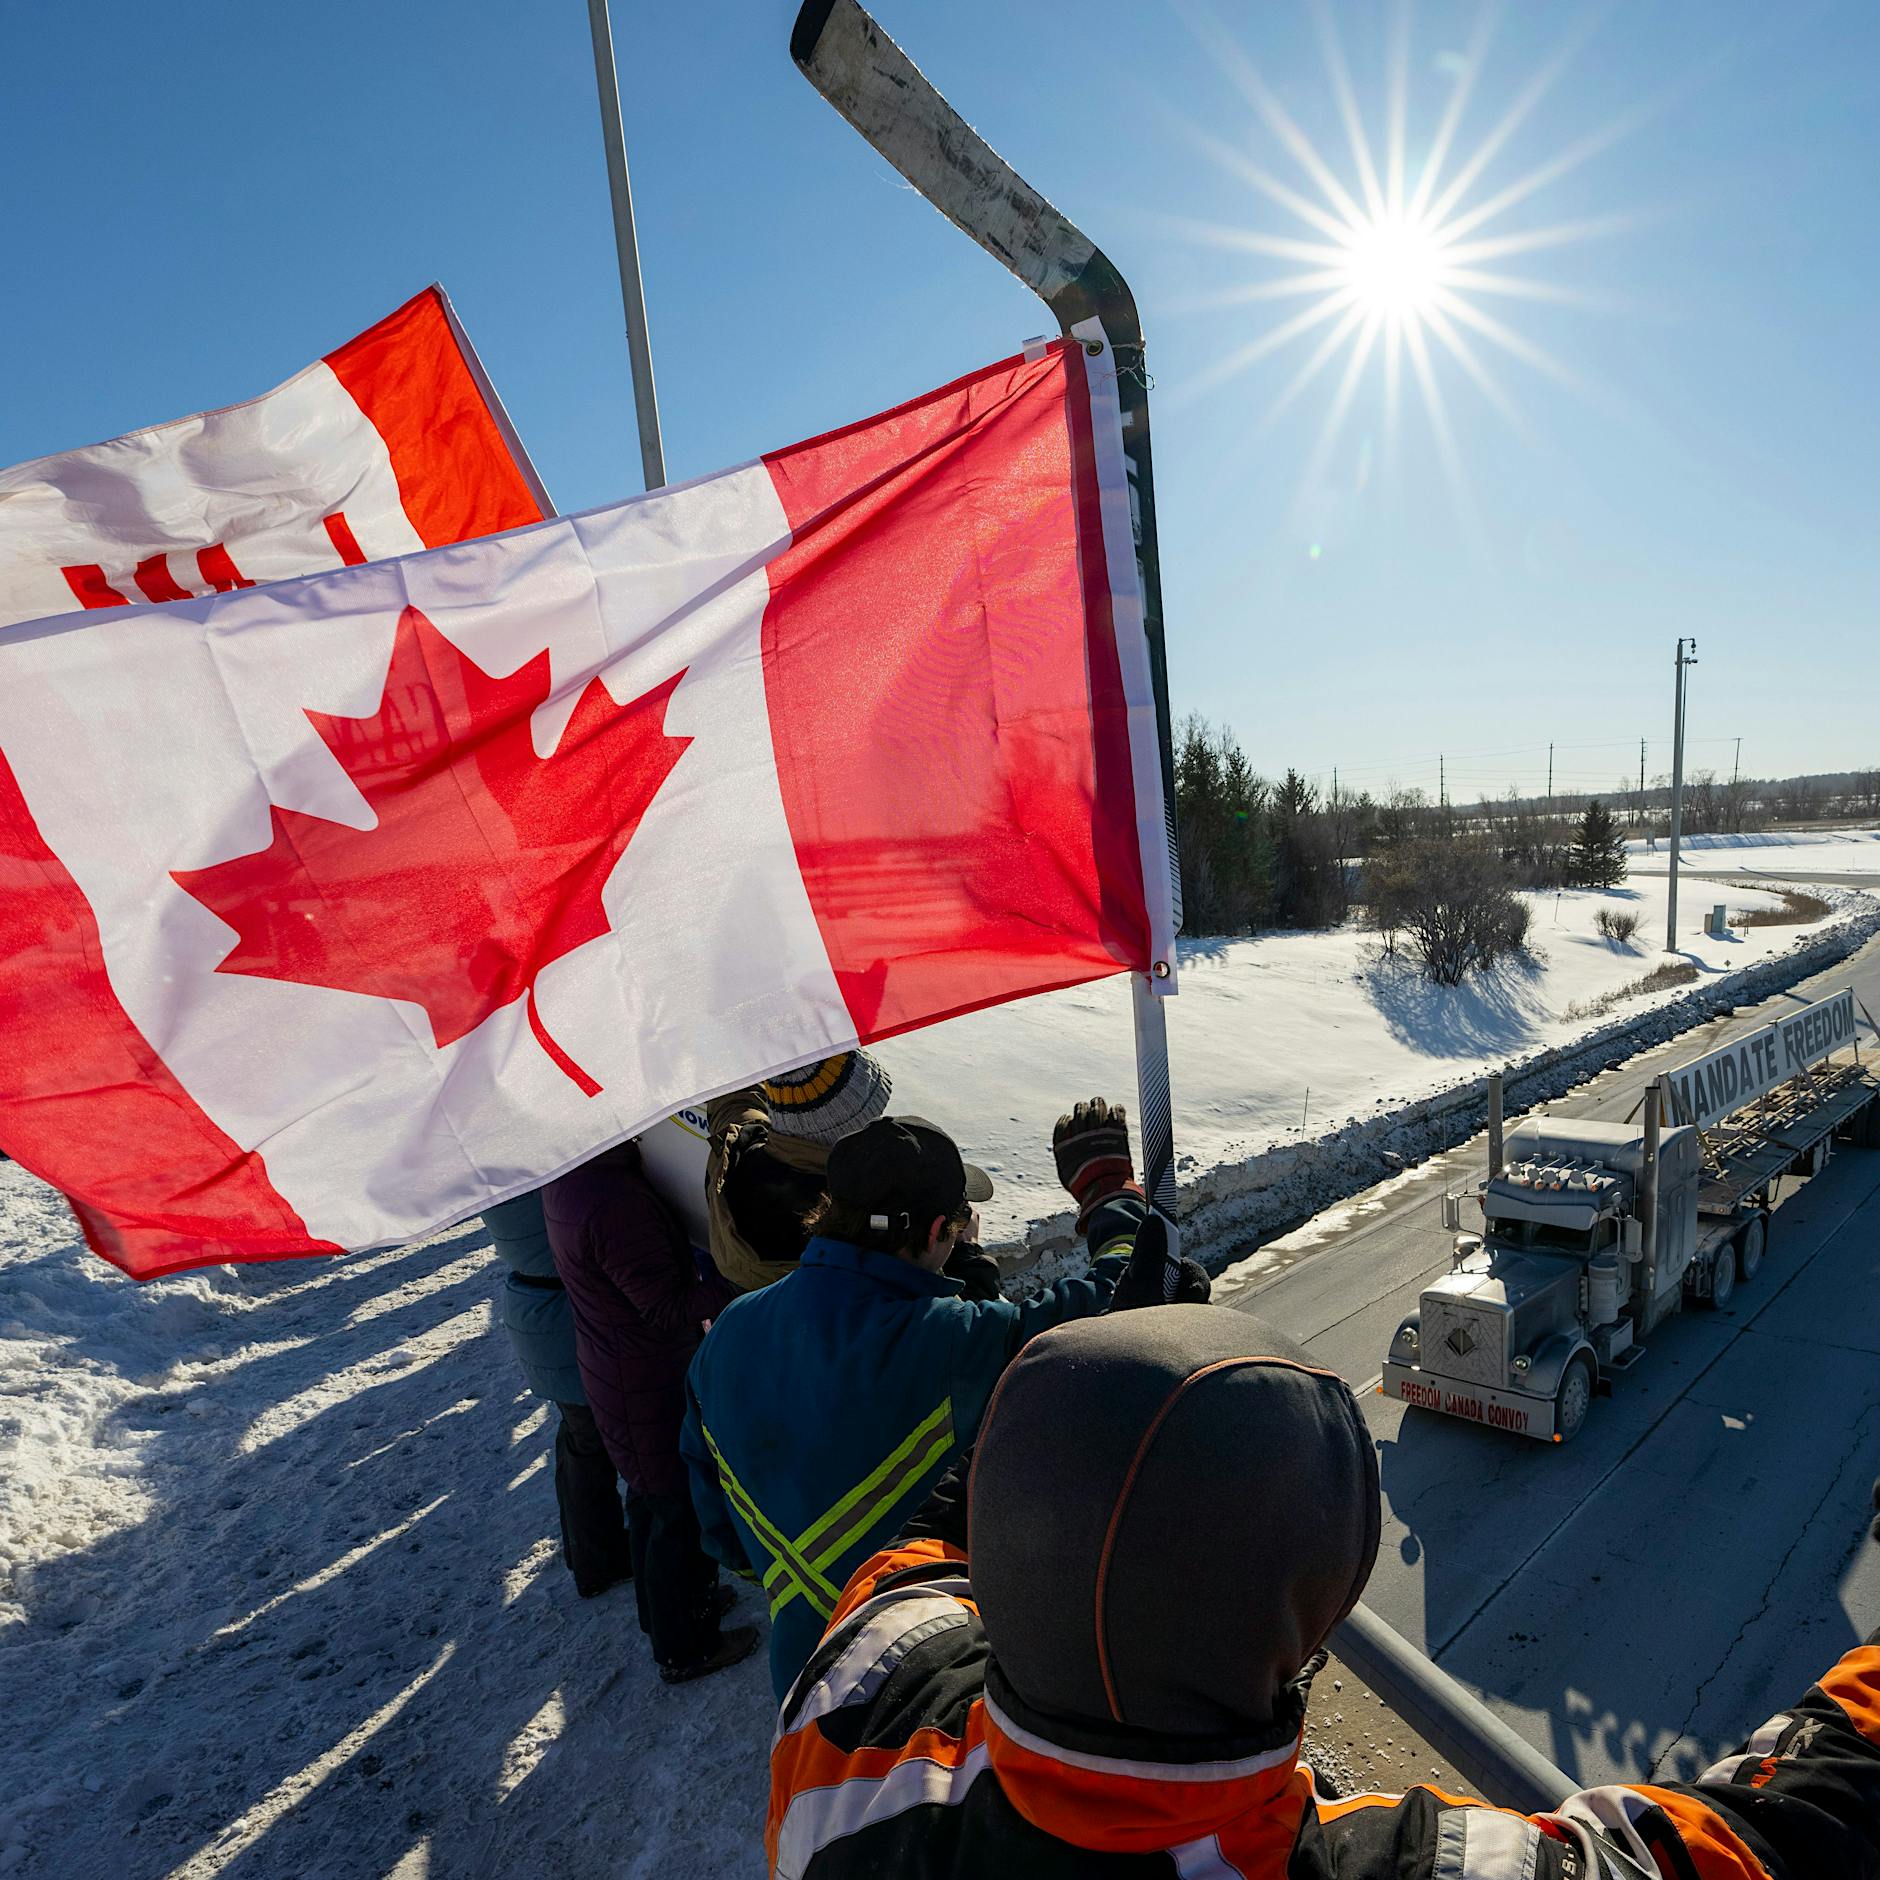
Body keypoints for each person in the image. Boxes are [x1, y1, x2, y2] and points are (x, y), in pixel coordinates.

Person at [766, 1303, 1880, 1879]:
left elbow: (922, 1551)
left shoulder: (849, 1707)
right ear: (1312, 1616)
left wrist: (1080, 1404)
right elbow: (1775, 1835)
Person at [683, 1097, 1205, 1701]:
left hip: (805, 1675)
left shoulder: (725, 1335)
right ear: (939, 1231)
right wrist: (1106, 1190)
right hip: (928, 1677)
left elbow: (721, 1532)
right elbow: (1121, 1292)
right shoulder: (955, 1342)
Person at [545, 1140, 758, 1684]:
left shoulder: (570, 1173)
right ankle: (685, 1648)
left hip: (615, 1362)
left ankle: (661, 1610)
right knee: (673, 1507)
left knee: (649, 1496)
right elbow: (664, 1307)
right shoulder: (616, 1202)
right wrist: (737, 1276)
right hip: (645, 1377)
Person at [483, 1189, 631, 1598]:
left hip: (536, 1305)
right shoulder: (538, 1176)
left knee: (578, 1439)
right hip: (564, 1312)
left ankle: (586, 1549)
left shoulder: (496, 1177)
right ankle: (599, 1559)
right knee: (592, 1443)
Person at [704, 1051, 893, 1292]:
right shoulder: (852, 1214)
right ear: (849, 1133)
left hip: (743, 1300)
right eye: (872, 1119)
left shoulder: (735, 1148)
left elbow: (735, 1101)